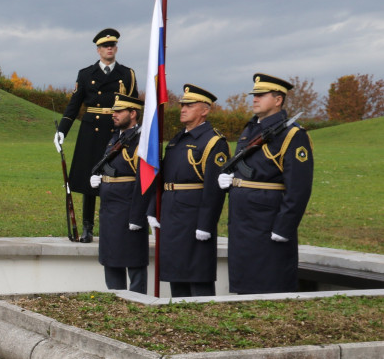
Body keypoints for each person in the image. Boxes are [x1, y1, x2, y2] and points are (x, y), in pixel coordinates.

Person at [218, 73, 313, 294]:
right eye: (254, 95)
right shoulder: (250, 130)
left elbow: (299, 188)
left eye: (261, 95)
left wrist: (284, 227)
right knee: (243, 281)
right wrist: (230, 179)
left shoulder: (292, 135)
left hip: (268, 220)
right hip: (242, 219)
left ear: (278, 99)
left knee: (269, 281)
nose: (254, 99)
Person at [56, 28, 138, 243]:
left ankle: (117, 225)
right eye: (104, 46)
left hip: (116, 130)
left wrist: (135, 130)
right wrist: (61, 131)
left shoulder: (127, 74)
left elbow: (134, 105)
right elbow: (74, 106)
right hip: (91, 130)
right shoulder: (85, 74)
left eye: (112, 45)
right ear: (98, 50)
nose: (109, 48)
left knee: (118, 177)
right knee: (88, 180)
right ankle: (87, 227)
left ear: (116, 48)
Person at [147, 84, 230, 297]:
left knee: (197, 275)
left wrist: (206, 224)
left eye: (190, 105)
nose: (183, 108)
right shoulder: (176, 140)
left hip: (194, 217)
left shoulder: (213, 142)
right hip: (172, 214)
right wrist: (153, 209)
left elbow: (214, 189)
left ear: (205, 110)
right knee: (176, 275)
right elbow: (162, 178)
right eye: (183, 105)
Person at [90, 93, 152, 293]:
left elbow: (145, 181)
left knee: (134, 262)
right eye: (114, 111)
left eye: (119, 111)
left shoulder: (140, 141)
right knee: (111, 261)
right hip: (110, 211)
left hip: (128, 209)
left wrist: (137, 216)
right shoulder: (116, 138)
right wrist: (99, 181)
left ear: (133, 113)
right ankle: (115, 301)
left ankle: (137, 303)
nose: (114, 114)